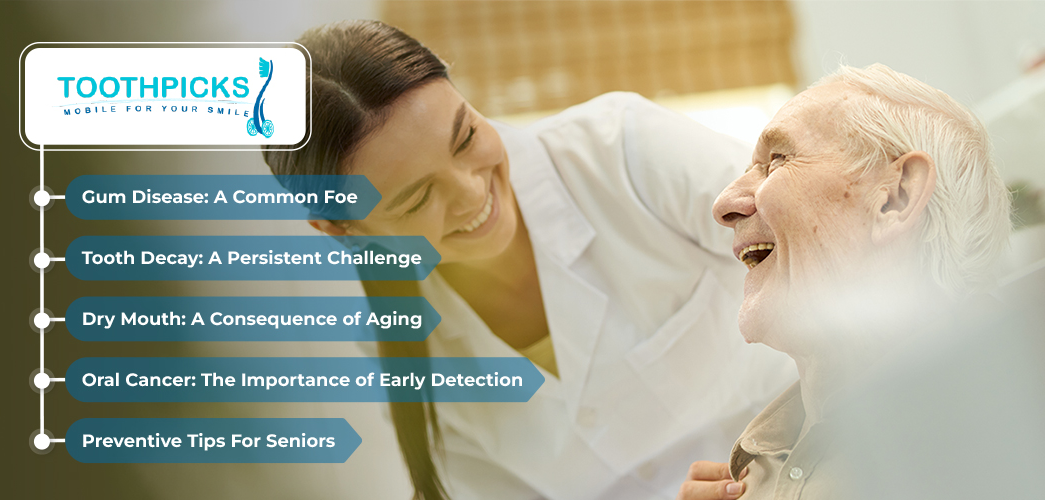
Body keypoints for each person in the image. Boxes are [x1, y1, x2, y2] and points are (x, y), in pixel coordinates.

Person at [264, 20, 796, 500]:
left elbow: (829, 262)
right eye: (417, 197)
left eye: (466, 137)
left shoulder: (626, 150)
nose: (472, 193)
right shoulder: (398, 348)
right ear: (342, 228)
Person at [679, 64, 1016, 499]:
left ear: (895, 198)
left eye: (777, 161)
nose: (725, 204)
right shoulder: (753, 467)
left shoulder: (1004, 437)